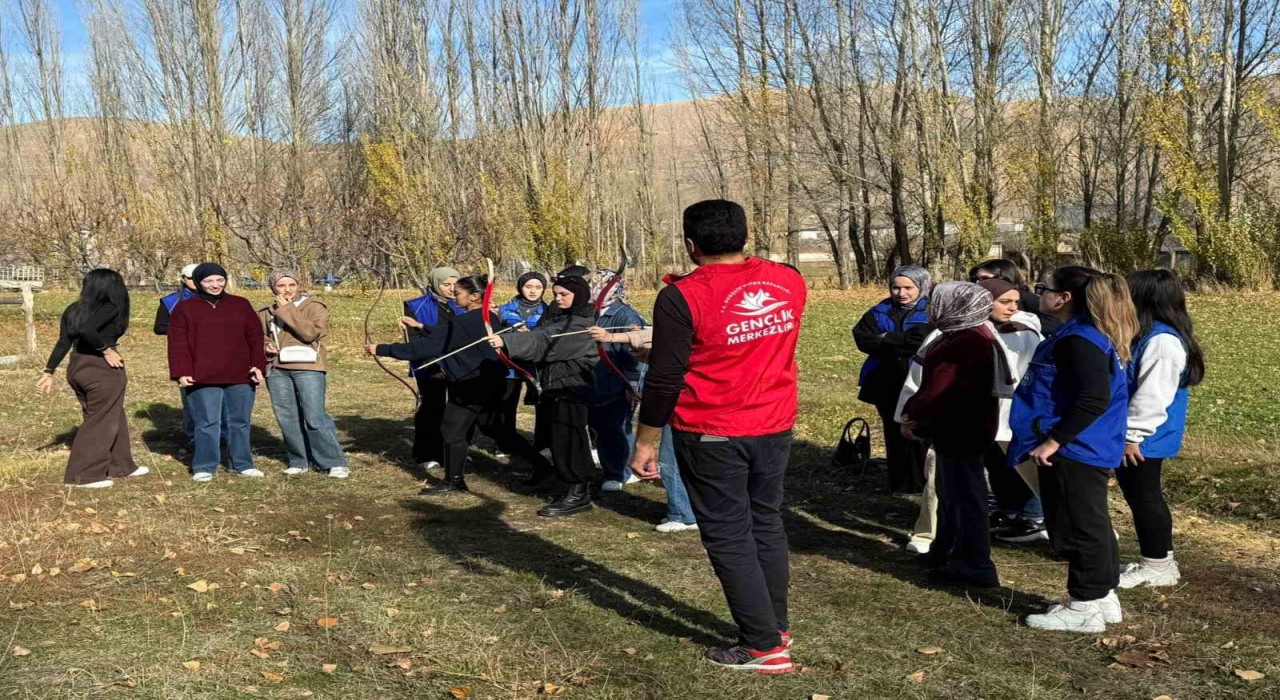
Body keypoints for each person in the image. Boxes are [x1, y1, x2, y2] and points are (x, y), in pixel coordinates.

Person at [630, 199, 807, 673]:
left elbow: (665, 378)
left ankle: (763, 644)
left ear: (690, 245)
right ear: (746, 236)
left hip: (713, 429)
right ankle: (775, 625)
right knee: (765, 522)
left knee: (730, 534)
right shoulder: (789, 278)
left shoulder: (681, 296)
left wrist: (645, 442)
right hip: (773, 423)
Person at [1010, 266, 1138, 633]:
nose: (1039, 294)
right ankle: (1102, 596)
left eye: (1043, 288)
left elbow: (1093, 399)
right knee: (1090, 520)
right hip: (1085, 445)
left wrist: (1053, 441)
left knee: (1077, 525)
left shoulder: (1079, 341)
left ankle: (1084, 605)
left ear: (1064, 298)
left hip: (1076, 447)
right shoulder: (1081, 335)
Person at [371, 276, 550, 495]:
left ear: (474, 296)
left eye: (458, 293)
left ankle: (454, 481)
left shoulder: (469, 321)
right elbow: (446, 337)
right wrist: (420, 326)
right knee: (498, 430)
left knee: (452, 430)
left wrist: (381, 348)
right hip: (490, 381)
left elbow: (426, 347)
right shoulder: (485, 318)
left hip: (472, 385)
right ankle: (544, 468)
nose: (455, 297)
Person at [901, 282, 1002, 588]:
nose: (930, 308)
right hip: (961, 426)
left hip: (961, 428)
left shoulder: (967, 341)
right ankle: (947, 550)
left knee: (964, 497)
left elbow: (942, 389)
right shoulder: (964, 334)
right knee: (951, 494)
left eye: (935, 302)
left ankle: (973, 563)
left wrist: (915, 415)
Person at [1116, 269, 1204, 589]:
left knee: (1146, 497)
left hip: (1145, 437)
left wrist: (1132, 436)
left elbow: (1153, 395)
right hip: (1139, 436)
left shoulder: (1163, 342)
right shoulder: (1149, 334)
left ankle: (1158, 566)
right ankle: (1157, 560)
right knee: (1139, 495)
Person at [489, 275, 600, 516]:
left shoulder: (581, 323)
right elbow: (541, 334)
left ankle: (579, 493)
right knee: (559, 438)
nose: (558, 298)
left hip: (573, 387)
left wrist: (507, 342)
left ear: (578, 295)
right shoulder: (562, 316)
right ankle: (569, 486)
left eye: (564, 294)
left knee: (571, 439)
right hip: (556, 386)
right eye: (556, 294)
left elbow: (544, 343)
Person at [36, 269, 144, 488]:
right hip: (101, 368)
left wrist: (49, 371)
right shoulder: (110, 307)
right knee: (100, 420)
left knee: (112, 414)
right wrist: (106, 350)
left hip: (77, 366)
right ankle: (84, 475)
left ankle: (121, 465)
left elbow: (62, 343)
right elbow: (87, 329)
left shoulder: (73, 309)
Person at [589, 325, 695, 533]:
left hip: (683, 404)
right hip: (685, 403)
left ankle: (683, 515)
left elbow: (660, 335)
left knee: (670, 459)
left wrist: (611, 336)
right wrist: (639, 350)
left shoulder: (687, 325)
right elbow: (659, 345)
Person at [168, 263, 267, 482]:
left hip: (240, 374)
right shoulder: (185, 309)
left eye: (219, 280)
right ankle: (205, 465)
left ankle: (241, 463)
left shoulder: (241, 305)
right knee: (207, 423)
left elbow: (255, 337)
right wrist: (181, 372)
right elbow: (177, 343)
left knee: (239, 421)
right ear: (198, 283)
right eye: (208, 281)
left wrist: (257, 364)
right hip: (202, 376)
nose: (215, 285)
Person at [258, 269, 349, 479]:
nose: (287, 289)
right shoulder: (265, 311)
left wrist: (286, 309)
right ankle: (299, 460)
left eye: (291, 284)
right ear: (273, 287)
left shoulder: (315, 306)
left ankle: (333, 462)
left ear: (298, 284)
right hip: (277, 369)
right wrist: (266, 345)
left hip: (309, 367)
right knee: (287, 417)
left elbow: (310, 333)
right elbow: (257, 336)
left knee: (315, 416)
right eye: (281, 286)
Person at [978, 277, 1048, 544]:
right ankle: (1010, 512)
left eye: (1015, 302)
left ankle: (1040, 517)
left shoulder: (1023, 331)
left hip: (1015, 414)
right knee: (999, 468)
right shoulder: (971, 330)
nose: (1012, 308)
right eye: (1004, 302)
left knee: (1029, 469)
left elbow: (1034, 375)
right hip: (984, 415)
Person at [853, 265, 934, 494]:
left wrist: (887, 338)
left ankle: (923, 482)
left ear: (922, 287)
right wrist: (901, 341)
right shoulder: (880, 310)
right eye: (895, 287)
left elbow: (923, 342)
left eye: (908, 287)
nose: (901, 293)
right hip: (885, 381)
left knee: (919, 431)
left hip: (919, 380)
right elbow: (863, 339)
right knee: (893, 429)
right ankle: (899, 481)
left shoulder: (931, 311)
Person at [588, 268, 647, 492]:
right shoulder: (593, 311)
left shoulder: (625, 314)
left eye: (598, 285)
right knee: (607, 427)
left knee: (615, 428)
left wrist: (632, 384)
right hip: (598, 381)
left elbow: (636, 354)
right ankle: (623, 467)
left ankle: (618, 473)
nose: (593, 289)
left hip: (618, 382)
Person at [402, 267, 464, 472]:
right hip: (430, 366)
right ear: (436, 283)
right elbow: (417, 339)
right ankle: (426, 452)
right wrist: (434, 364)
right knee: (432, 408)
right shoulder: (416, 306)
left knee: (459, 409)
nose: (452, 289)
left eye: (456, 284)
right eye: (446, 284)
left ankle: (454, 452)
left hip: (459, 365)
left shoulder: (462, 304)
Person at [489, 272, 548, 453]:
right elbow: (499, 322)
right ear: (520, 287)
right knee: (506, 403)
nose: (533, 291)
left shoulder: (548, 311)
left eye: (538, 287)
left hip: (535, 362)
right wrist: (514, 324)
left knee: (542, 403)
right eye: (528, 286)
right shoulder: (506, 308)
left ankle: (543, 443)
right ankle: (504, 442)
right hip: (510, 363)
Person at [154, 263, 202, 442]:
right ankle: (193, 435)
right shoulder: (171, 301)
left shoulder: (216, 299)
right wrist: (183, 330)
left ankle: (221, 433)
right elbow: (159, 327)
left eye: (199, 277)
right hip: (186, 354)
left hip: (213, 353)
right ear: (183, 279)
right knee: (190, 396)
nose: (195, 282)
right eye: (191, 278)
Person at [970, 259, 1060, 334]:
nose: (978, 283)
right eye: (976, 279)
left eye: (985, 278)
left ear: (1004, 277)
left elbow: (1054, 325)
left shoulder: (1028, 299)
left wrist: (1028, 327)